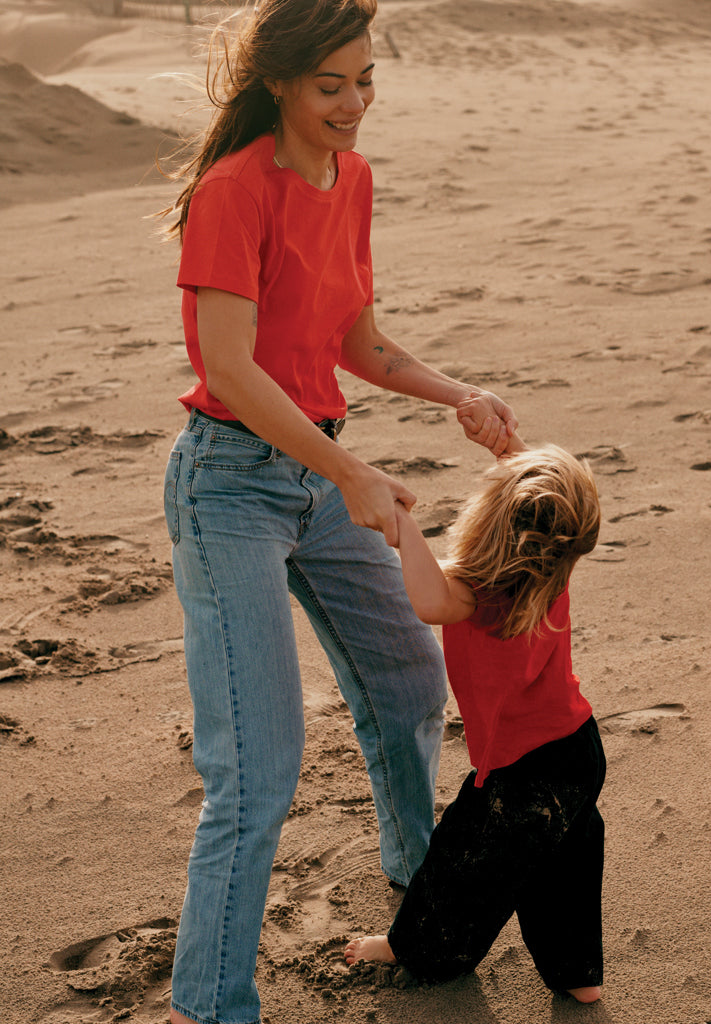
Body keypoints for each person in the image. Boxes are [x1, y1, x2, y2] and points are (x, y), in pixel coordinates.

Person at [160, 1, 519, 1022]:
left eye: (366, 82)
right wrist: (353, 470)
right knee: (257, 768)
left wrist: (460, 395)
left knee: (410, 680)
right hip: (229, 483)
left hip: (318, 473)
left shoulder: (349, 179)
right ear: (278, 81)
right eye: (332, 86)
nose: (354, 104)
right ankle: (211, 1004)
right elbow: (226, 367)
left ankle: (421, 901)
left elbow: (358, 343)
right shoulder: (234, 191)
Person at [345, 444, 607, 1004]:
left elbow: (430, 601)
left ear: (489, 520)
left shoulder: (480, 594)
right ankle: (578, 975)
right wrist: (510, 449)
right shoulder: (550, 571)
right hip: (580, 750)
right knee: (567, 866)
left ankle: (414, 948)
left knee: (461, 866)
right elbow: (544, 506)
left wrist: (405, 526)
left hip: (522, 773)